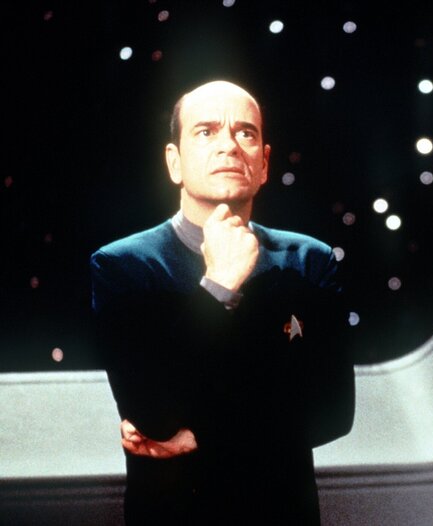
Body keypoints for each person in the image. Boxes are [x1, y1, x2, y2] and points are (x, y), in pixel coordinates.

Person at [90, 80, 356, 525]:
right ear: (174, 162)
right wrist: (219, 285)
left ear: (264, 164)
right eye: (206, 131)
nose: (230, 145)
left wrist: (197, 435)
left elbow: (334, 413)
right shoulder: (124, 266)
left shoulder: (309, 260)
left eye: (245, 133)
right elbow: (155, 413)